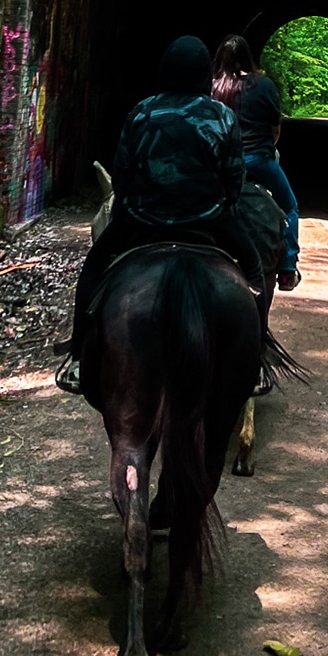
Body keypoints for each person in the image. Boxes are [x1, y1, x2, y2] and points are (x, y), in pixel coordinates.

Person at [54, 35, 270, 395]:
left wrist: (138, 205)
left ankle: (77, 357)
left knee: (94, 266)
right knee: (253, 268)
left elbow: (123, 175)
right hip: (208, 220)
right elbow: (234, 181)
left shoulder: (142, 111)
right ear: (204, 74)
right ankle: (257, 361)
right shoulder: (221, 116)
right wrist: (217, 208)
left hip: (141, 220)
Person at [212, 35, 301, 290]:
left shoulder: (213, 87)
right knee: (290, 206)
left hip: (221, 164)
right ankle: (286, 269)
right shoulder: (264, 85)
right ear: (248, 57)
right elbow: (275, 130)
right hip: (258, 161)